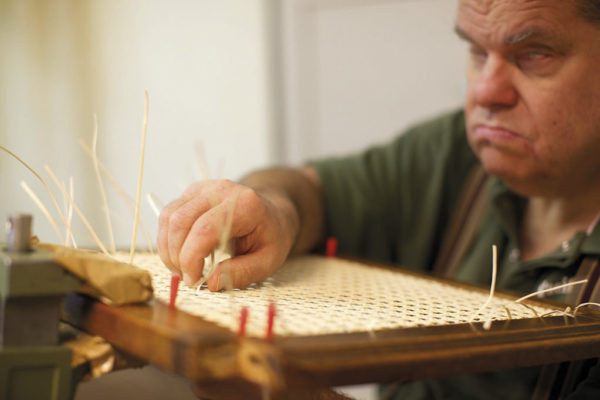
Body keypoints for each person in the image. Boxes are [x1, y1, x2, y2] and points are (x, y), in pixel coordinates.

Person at [157, 0, 600, 398]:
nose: (486, 92)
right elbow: (312, 192)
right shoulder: (459, 156)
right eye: (477, 52)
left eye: (535, 55)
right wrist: (274, 210)